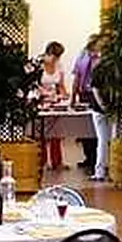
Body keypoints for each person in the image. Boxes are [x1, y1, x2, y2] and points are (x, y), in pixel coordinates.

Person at [70, 34, 109, 181]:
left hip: (98, 102)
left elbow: (93, 86)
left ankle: (100, 169)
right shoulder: (86, 58)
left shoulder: (97, 63)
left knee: (102, 139)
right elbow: (79, 78)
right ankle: (94, 163)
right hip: (96, 100)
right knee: (101, 138)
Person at [38, 41, 68, 170]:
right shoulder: (38, 65)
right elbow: (33, 84)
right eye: (55, 56)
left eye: (58, 57)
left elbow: (60, 85)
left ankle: (57, 161)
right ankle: (41, 161)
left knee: (56, 132)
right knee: (41, 133)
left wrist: (65, 95)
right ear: (48, 53)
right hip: (40, 101)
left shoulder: (59, 65)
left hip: (54, 101)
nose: (56, 60)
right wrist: (43, 95)